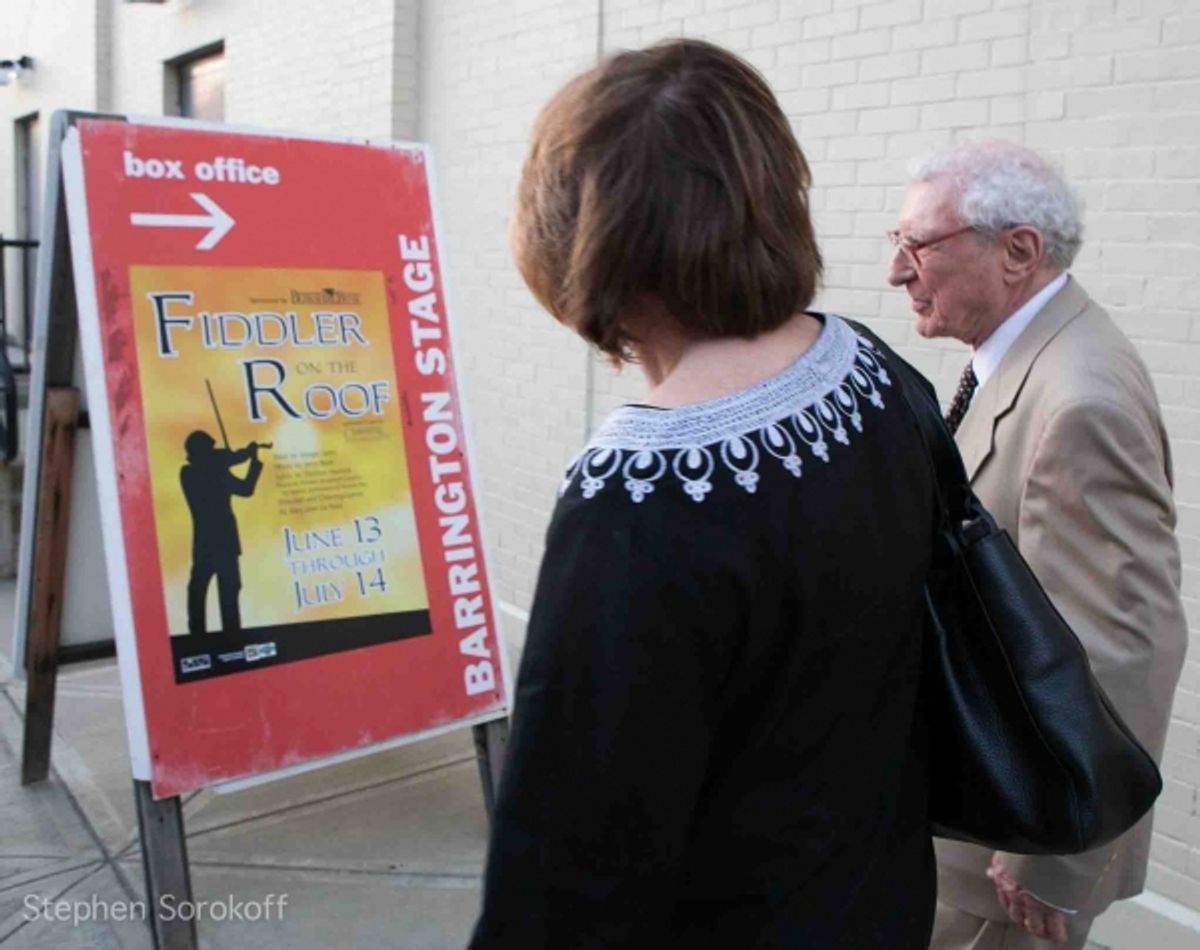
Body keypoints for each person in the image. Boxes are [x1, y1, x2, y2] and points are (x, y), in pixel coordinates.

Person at [469, 39, 940, 948]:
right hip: (880, 904)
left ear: (581, 236)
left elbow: (569, 876)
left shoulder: (636, 500)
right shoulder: (878, 376)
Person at [886, 141, 1188, 950]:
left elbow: (1124, 644)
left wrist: (1057, 860)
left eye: (918, 245)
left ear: (1018, 251)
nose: (897, 271)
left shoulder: (1078, 397)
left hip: (1011, 867)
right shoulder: (1023, 361)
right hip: (988, 835)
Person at [180, 430, 264, 634]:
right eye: (210, 448)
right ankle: (209, 635)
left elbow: (245, 489)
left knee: (217, 591)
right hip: (221, 541)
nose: (215, 451)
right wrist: (247, 456)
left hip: (209, 542)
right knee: (202, 591)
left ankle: (216, 635)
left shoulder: (208, 470)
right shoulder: (193, 472)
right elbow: (244, 486)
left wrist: (247, 458)